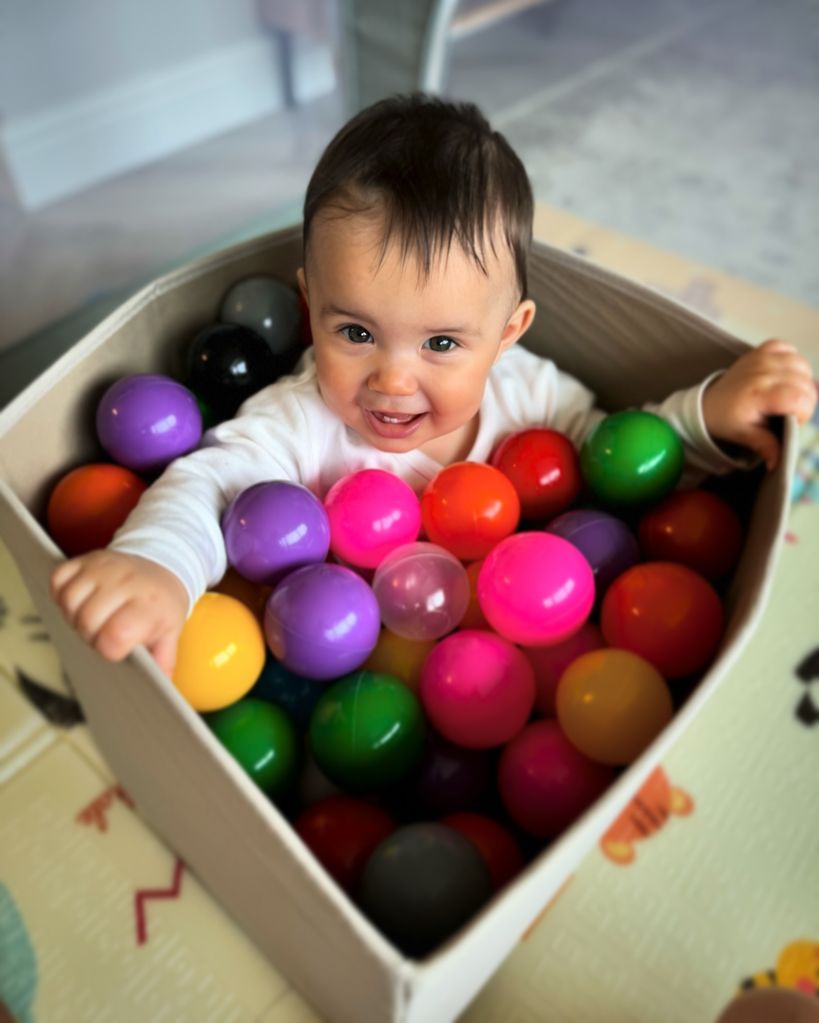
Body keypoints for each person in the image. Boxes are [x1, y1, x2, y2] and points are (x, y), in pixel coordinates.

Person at [50, 94, 816, 676]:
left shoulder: (531, 398)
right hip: (333, 655)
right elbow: (210, 486)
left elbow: (628, 464)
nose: (392, 377)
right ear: (309, 308)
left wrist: (710, 415)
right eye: (354, 332)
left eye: (443, 342)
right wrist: (156, 565)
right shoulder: (296, 418)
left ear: (507, 333)